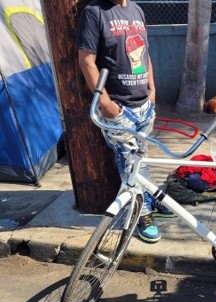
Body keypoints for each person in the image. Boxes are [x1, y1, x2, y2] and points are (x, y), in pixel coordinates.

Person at [76, 0, 175, 243]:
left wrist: (152, 89)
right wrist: (106, 103)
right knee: (129, 164)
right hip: (119, 109)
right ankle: (140, 213)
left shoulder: (136, 10)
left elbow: (145, 52)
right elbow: (86, 60)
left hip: (144, 105)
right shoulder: (94, 13)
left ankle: (149, 199)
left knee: (141, 157)